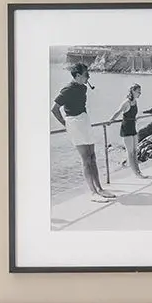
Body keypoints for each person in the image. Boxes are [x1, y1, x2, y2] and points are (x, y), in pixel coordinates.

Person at [52, 63, 114, 202]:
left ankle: (100, 189)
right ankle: (93, 193)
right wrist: (66, 124)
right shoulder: (67, 89)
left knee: (92, 156)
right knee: (86, 159)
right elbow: (54, 109)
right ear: (78, 75)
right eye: (86, 74)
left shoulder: (83, 88)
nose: (88, 77)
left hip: (84, 120)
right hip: (74, 123)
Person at [117, 84, 144, 179]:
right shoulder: (126, 102)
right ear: (133, 91)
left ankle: (138, 171)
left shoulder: (135, 102)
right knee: (130, 152)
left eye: (140, 91)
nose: (140, 93)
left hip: (133, 128)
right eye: (138, 91)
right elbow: (118, 112)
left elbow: (132, 114)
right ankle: (137, 173)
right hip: (126, 129)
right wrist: (110, 121)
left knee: (135, 151)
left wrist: (134, 118)